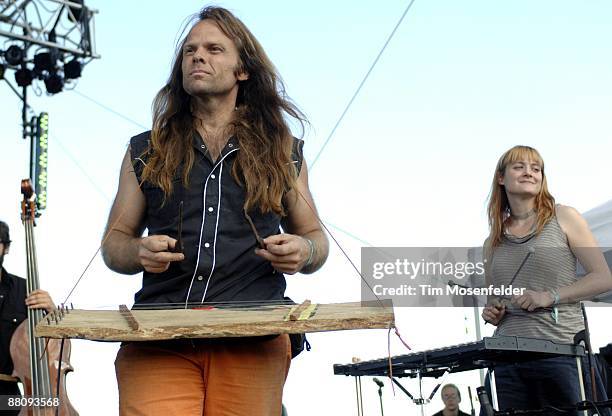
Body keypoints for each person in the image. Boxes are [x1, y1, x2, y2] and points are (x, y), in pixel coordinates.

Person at [101, 6, 328, 416]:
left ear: (243, 69)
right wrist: (138, 252)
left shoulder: (282, 149)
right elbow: (114, 246)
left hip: (253, 334)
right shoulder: (144, 149)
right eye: (189, 50)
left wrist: (302, 251)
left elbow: (316, 240)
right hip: (159, 336)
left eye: (213, 49)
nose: (197, 56)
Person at [481, 145, 612, 411]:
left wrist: (550, 296)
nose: (529, 173)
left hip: (560, 353)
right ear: (501, 178)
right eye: (519, 166)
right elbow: (494, 298)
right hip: (508, 360)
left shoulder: (564, 217)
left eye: (536, 168)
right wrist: (492, 310)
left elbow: (603, 277)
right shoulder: (491, 242)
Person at [0, 220, 56, 401]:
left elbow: (54, 346)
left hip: (7, 396)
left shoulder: (25, 289)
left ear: (6, 248)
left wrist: (51, 312)